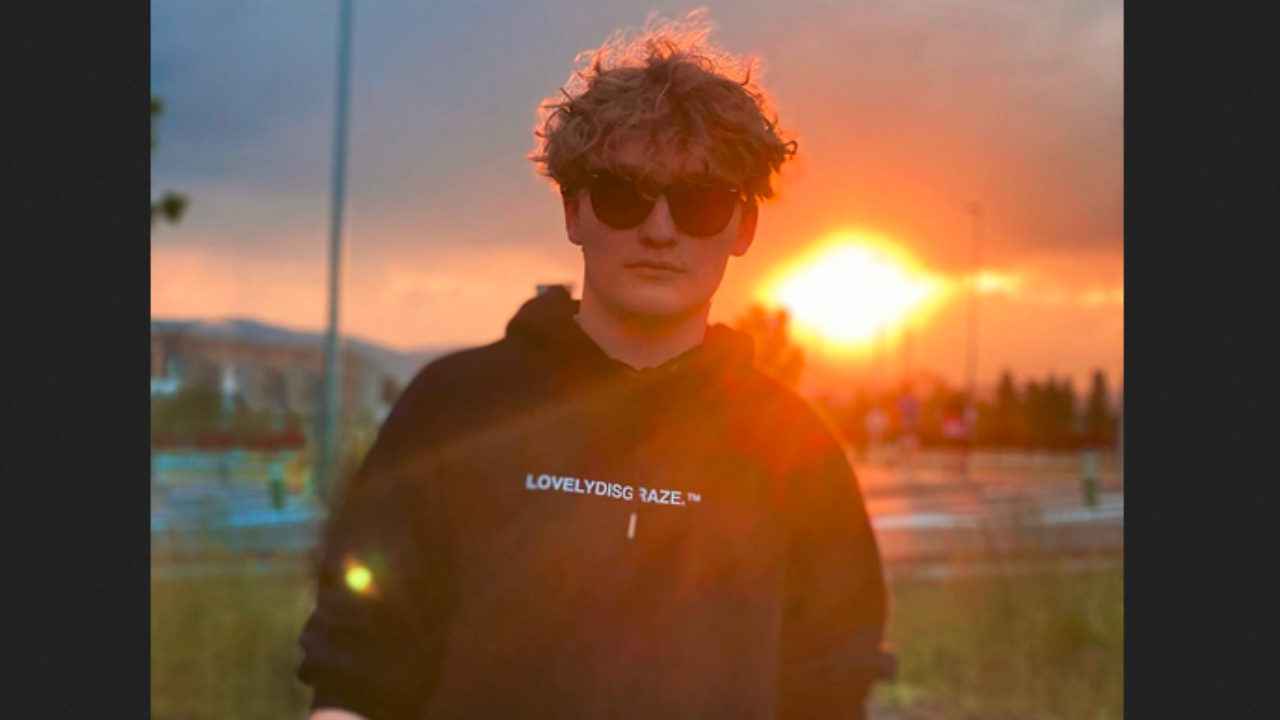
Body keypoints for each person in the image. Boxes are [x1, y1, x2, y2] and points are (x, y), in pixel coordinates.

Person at [298, 13, 890, 720]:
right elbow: (360, 665)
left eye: (700, 201)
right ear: (574, 212)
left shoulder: (796, 448)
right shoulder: (456, 408)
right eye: (622, 194)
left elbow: (829, 683)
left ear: (744, 227)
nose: (659, 229)